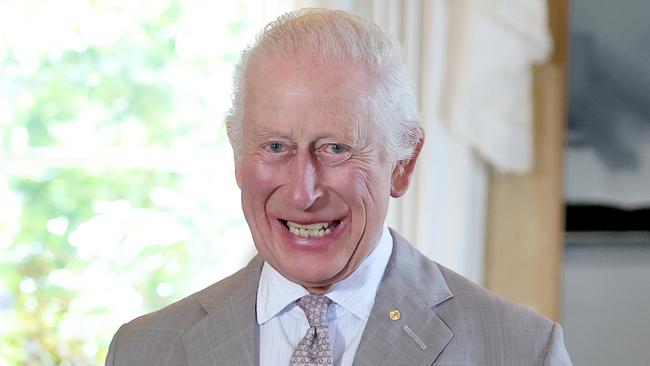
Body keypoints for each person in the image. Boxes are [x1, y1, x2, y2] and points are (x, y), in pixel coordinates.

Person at [106, 8, 572, 366]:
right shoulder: (144, 350)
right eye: (274, 147)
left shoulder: (521, 351)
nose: (303, 192)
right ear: (236, 155)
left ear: (403, 163)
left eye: (335, 149)